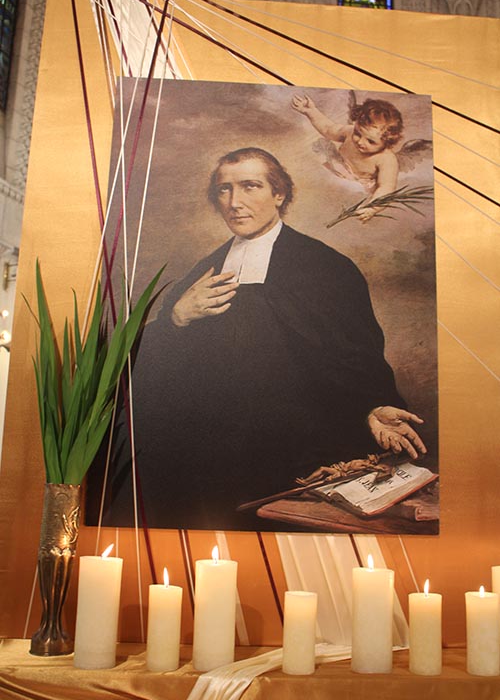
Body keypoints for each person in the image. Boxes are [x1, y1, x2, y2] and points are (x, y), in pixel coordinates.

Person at [98, 147, 426, 531]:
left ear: (279, 194)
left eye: (250, 186)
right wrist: (176, 318)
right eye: (224, 189)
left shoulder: (327, 268)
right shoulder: (202, 272)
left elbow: (357, 358)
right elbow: (154, 372)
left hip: (294, 453)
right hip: (205, 458)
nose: (234, 202)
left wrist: (371, 406)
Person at [291, 94, 404, 222]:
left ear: (388, 142)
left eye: (371, 141)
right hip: (333, 172)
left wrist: (372, 208)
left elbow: (386, 187)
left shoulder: (387, 159)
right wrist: (311, 111)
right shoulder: (349, 132)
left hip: (353, 189)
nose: (360, 142)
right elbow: (328, 129)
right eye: (358, 133)